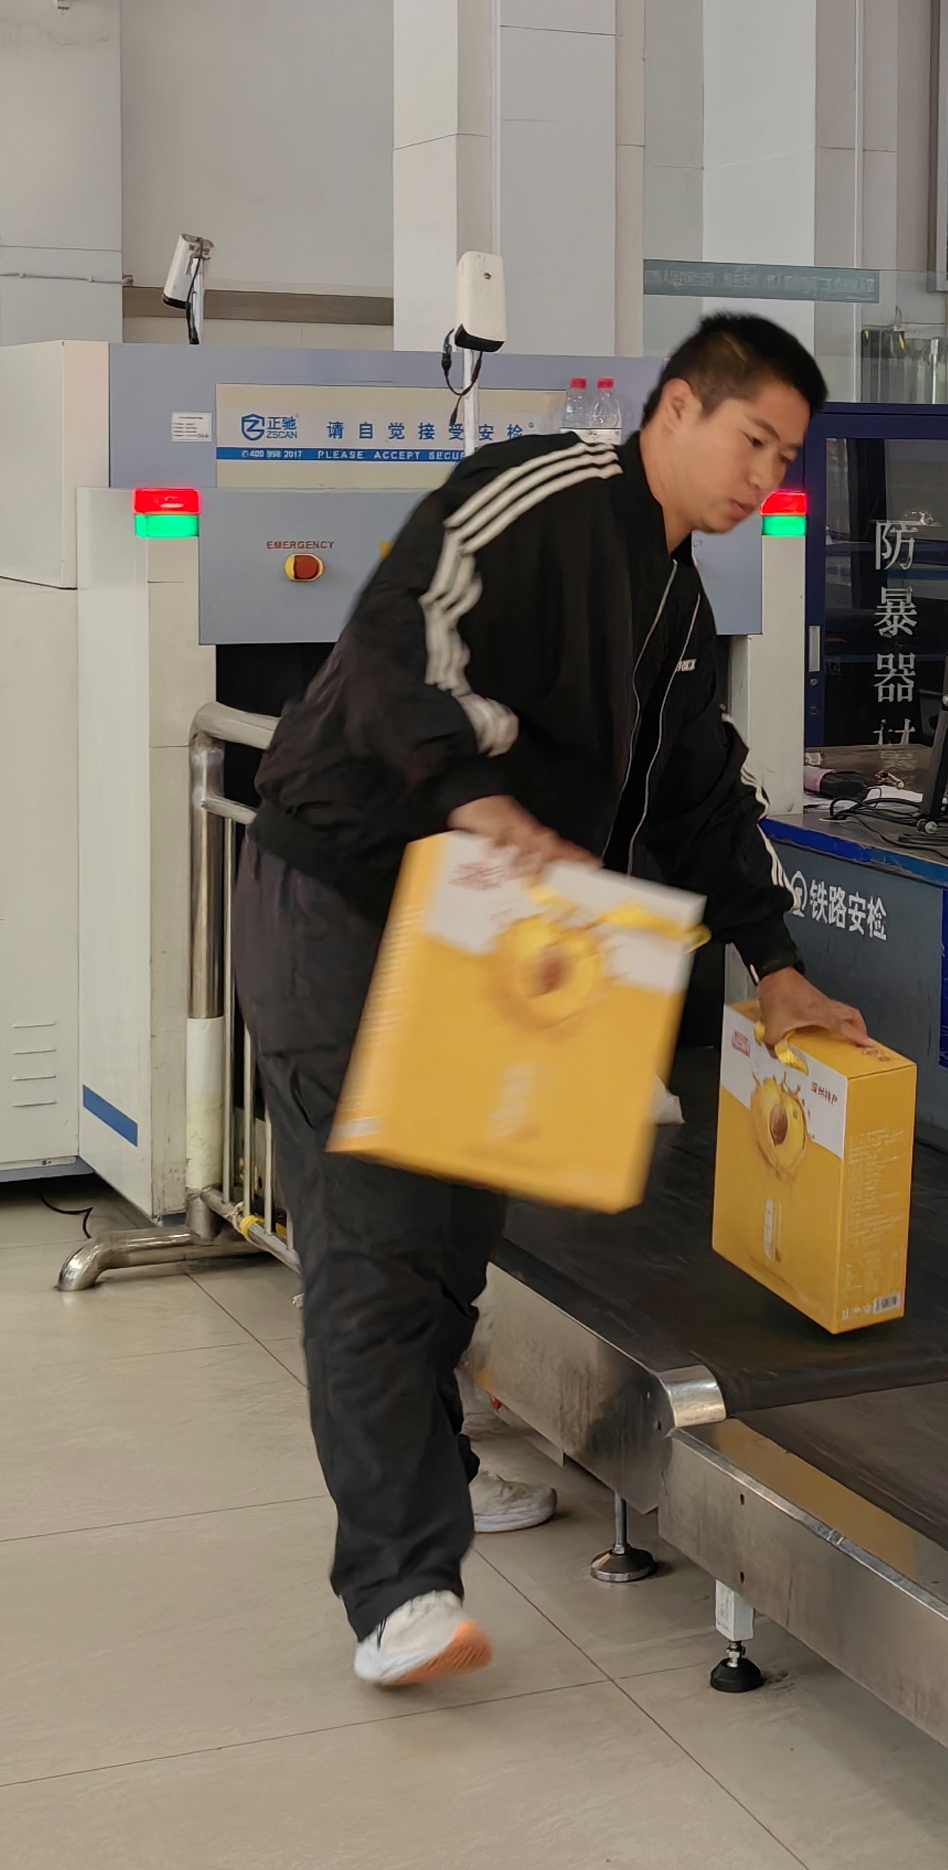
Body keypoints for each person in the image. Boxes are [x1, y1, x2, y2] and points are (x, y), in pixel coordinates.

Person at [243, 313, 871, 1689]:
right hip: (344, 898)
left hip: (480, 930)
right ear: (676, 409)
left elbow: (697, 789)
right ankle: (399, 1591)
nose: (764, 475)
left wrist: (775, 965)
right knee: (375, 1242)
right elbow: (403, 627)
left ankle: (427, 1480)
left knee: (452, 1243)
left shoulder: (677, 600)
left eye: (786, 457)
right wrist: (474, 794)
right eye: (752, 439)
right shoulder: (545, 491)